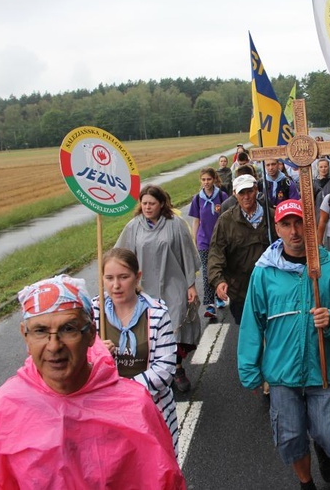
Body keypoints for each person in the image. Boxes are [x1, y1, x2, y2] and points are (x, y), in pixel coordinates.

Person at [0, 275, 185, 489]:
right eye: (40, 331)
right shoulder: (6, 407)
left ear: (91, 334)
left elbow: (163, 481)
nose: (54, 346)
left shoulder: (135, 406)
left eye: (68, 329)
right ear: (25, 336)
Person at [238, 199, 330, 490]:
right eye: (286, 224)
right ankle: (306, 483)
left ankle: (325, 451)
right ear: (277, 228)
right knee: (291, 437)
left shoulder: (329, 265)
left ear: (308, 226)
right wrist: (250, 370)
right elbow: (251, 322)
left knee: (328, 432)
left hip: (323, 369)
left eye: (299, 223)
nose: (293, 231)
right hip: (282, 373)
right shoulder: (264, 272)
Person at [92, 248, 181, 455]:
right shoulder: (92, 313)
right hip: (106, 415)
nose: (116, 285)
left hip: (150, 409)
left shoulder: (157, 313)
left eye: (123, 277)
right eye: (109, 278)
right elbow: (79, 363)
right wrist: (96, 354)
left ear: (137, 276)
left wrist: (125, 392)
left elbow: (165, 369)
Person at [115, 184, 200, 392]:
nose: (147, 207)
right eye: (144, 203)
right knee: (148, 331)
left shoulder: (176, 224)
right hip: (144, 290)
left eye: (151, 203)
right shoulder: (133, 227)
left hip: (174, 285)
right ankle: (155, 371)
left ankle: (177, 368)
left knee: (174, 327)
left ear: (161, 204)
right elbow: (121, 256)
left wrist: (190, 284)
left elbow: (187, 254)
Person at [208, 174, 276, 326]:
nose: (246, 197)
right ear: (234, 194)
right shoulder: (225, 221)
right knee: (250, 336)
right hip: (240, 292)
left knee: (273, 334)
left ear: (256, 190)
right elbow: (216, 253)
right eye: (241, 193)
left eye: (249, 192)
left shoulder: (272, 216)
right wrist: (218, 280)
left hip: (271, 290)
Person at [189, 168, 229, 319]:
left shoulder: (222, 196)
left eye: (209, 179)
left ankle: (219, 296)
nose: (206, 182)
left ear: (214, 180)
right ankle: (210, 305)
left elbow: (227, 219)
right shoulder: (197, 199)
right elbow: (196, 221)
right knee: (206, 272)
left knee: (219, 270)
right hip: (204, 241)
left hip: (219, 241)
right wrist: (196, 240)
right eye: (203, 180)